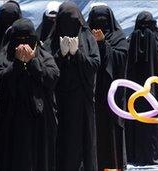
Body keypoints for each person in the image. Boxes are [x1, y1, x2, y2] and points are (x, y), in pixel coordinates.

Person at [0, 18, 60, 171]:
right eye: (19, 40)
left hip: (40, 123)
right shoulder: (4, 57)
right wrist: (17, 65)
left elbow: (52, 78)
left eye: (28, 40)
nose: (23, 45)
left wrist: (32, 62)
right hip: (13, 122)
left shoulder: (44, 57)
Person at [43, 2, 100, 170]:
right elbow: (47, 69)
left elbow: (94, 64)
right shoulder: (52, 41)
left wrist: (77, 55)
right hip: (59, 101)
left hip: (82, 101)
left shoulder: (87, 38)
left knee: (83, 142)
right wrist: (60, 55)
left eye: (73, 23)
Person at [125, 11, 158, 165]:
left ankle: (133, 154)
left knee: (136, 120)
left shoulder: (131, 40)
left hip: (134, 95)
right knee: (156, 121)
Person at [87, 4, 128, 170]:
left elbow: (121, 59)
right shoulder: (85, 36)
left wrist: (103, 45)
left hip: (112, 95)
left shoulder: (118, 37)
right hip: (92, 92)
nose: (100, 24)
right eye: (96, 20)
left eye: (103, 20)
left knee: (111, 133)